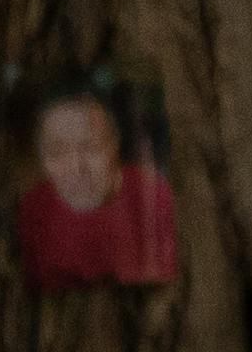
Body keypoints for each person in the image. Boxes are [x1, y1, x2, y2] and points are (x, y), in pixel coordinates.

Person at [17, 85, 177, 291]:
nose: (76, 167)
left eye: (90, 148)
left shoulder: (156, 197)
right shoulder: (32, 210)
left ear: (114, 145)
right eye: (57, 153)